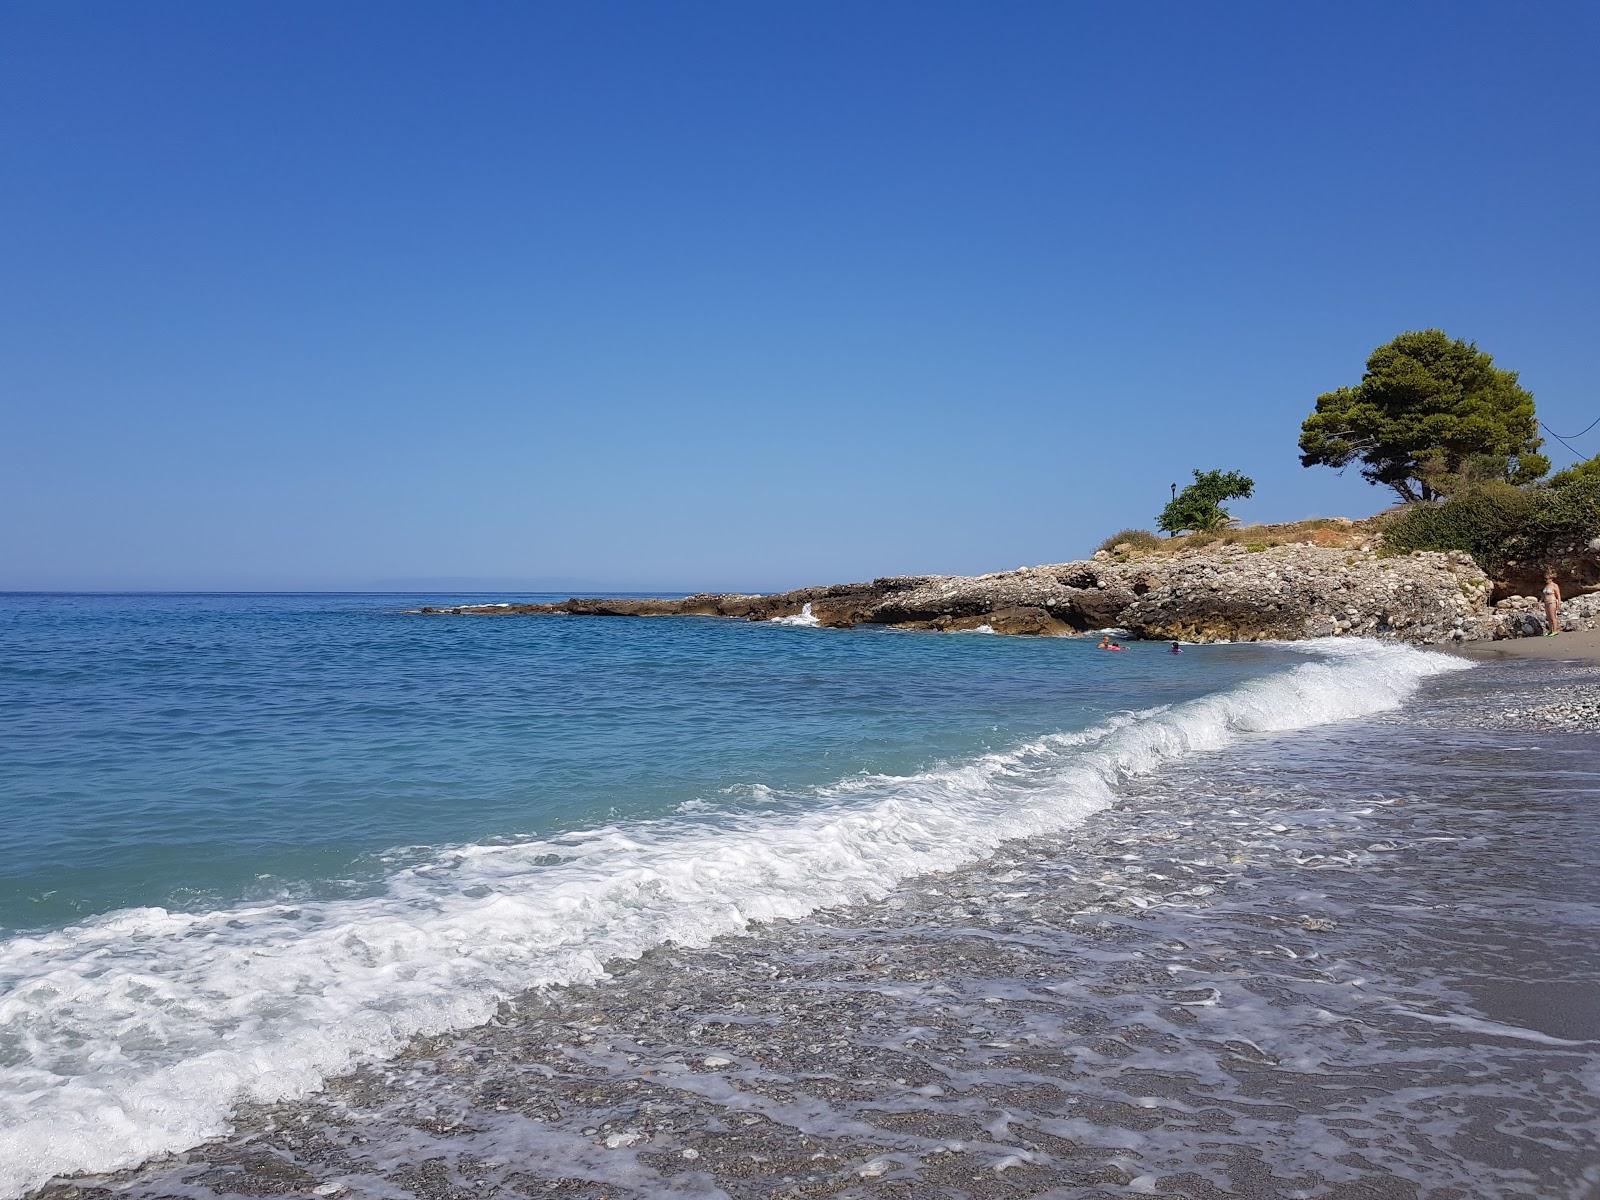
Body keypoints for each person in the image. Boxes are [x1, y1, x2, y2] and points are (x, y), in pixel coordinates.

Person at [1542, 570, 1562, 637]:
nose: (1545, 580)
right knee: (1548, 617)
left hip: (1552, 602)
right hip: (1546, 603)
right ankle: (1550, 630)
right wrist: (1540, 602)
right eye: (1545, 579)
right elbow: (1543, 595)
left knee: (1553, 616)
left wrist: (1559, 603)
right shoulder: (1546, 586)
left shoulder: (1554, 585)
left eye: (1547, 579)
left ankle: (1555, 630)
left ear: (1551, 579)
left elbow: (1558, 595)